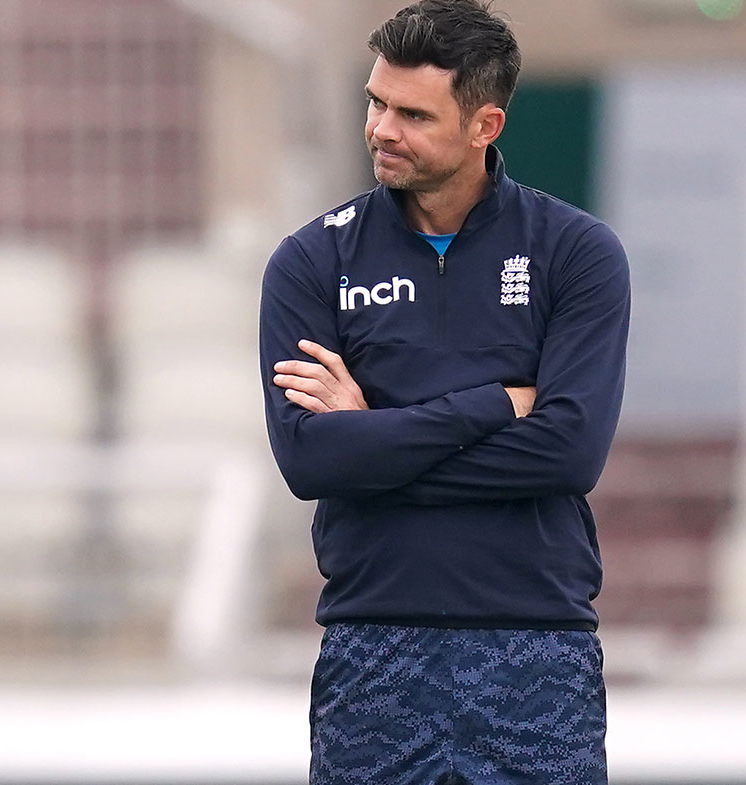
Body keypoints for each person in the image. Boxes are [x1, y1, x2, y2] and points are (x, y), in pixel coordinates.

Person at [259, 2, 629, 783]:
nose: (382, 129)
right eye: (376, 102)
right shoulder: (309, 262)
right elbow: (309, 460)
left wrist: (374, 435)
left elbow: (568, 451)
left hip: (536, 653)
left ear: (484, 125)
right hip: (374, 652)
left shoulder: (576, 253)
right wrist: (493, 405)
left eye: (413, 114)